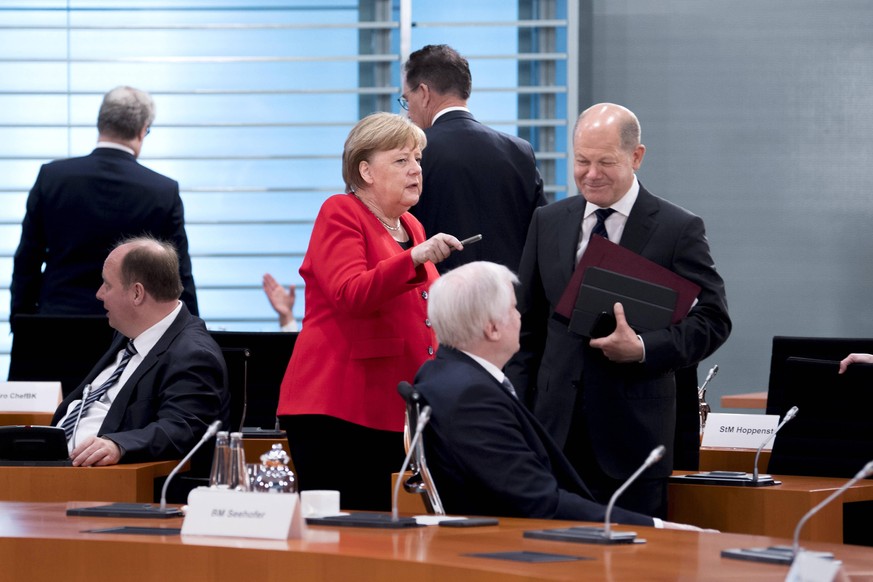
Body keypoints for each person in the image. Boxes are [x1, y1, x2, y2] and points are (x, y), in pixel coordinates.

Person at [506, 103, 731, 518]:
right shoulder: (547, 221)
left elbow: (714, 320)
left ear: (636, 156)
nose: (591, 174)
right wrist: (519, 418)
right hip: (553, 437)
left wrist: (645, 347)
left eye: (605, 162)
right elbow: (526, 332)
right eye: (581, 161)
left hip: (635, 442)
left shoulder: (677, 229)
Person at [416, 261, 706, 530]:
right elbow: (540, 501)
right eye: (515, 309)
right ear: (492, 328)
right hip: (519, 547)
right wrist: (656, 527)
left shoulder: (438, 374)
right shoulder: (472, 396)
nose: (520, 317)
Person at [276, 112, 465, 511]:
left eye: (417, 160)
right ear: (365, 170)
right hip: (338, 407)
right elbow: (351, 293)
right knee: (344, 539)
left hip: (396, 410)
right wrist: (415, 258)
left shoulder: (410, 225)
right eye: (401, 160)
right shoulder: (340, 211)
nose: (415, 169)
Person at [10, 86, 198, 327]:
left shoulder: (52, 178)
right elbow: (178, 276)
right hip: (129, 334)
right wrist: (193, 337)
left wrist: (23, 323)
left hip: (55, 327)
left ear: (101, 123)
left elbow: (27, 259)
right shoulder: (162, 191)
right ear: (142, 130)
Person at [51, 237, 228, 467]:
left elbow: (182, 427)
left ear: (137, 293)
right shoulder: (128, 333)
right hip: (54, 464)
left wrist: (118, 446)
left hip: (104, 481)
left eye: (107, 285)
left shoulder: (193, 354)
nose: (99, 294)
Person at [402, 44, 546, 273]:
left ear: (424, 93)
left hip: (440, 299)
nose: (408, 112)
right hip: (509, 300)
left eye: (406, 100)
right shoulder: (520, 151)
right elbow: (541, 236)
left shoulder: (413, 153)